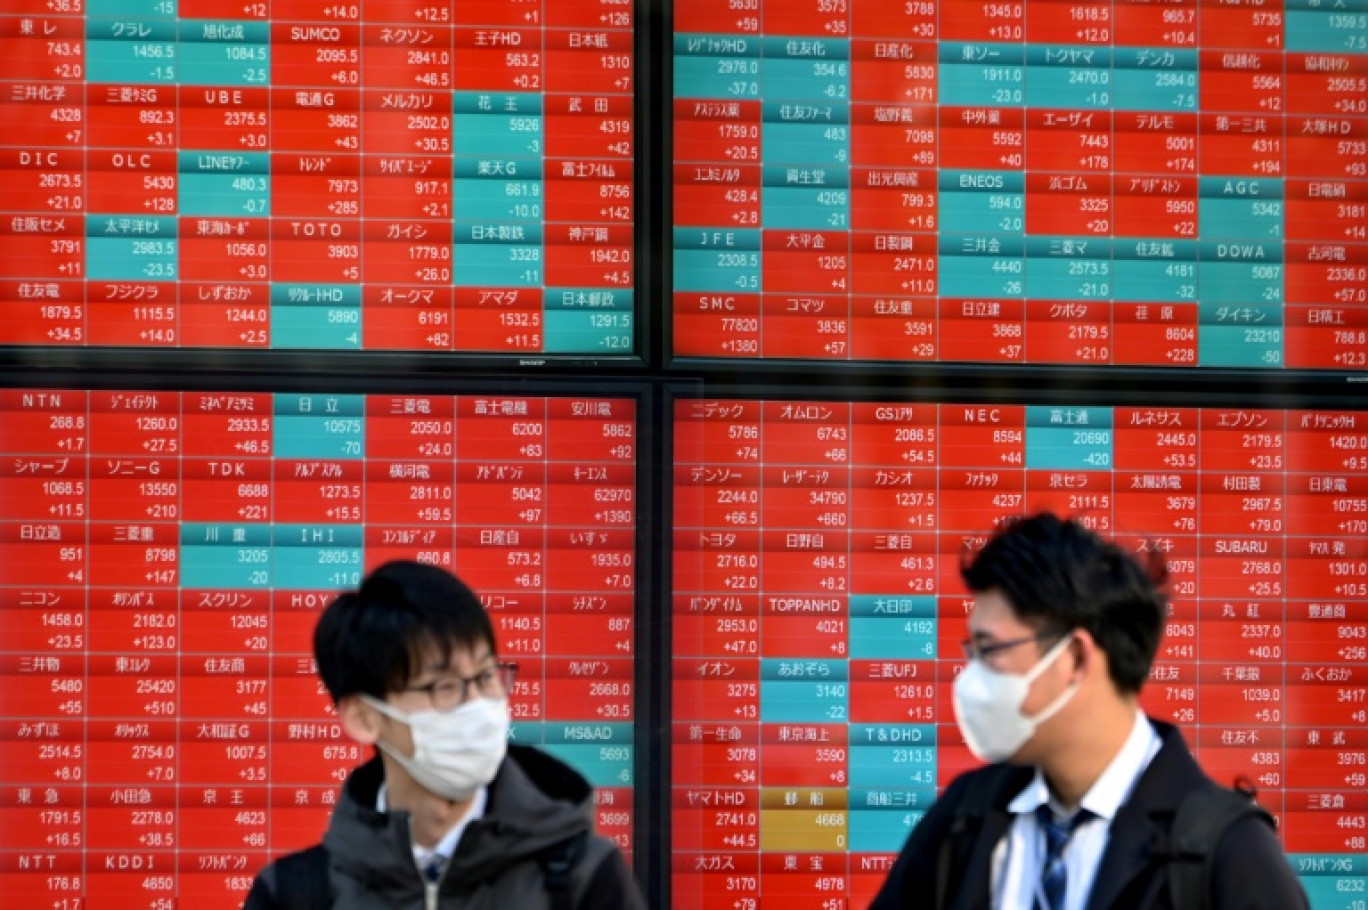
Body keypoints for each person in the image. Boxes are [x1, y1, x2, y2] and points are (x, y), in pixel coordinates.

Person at [868, 512, 1308, 910]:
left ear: (1076, 658)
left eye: (990, 650)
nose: (970, 677)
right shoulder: (963, 820)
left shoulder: (1224, 853)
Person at [245, 559, 645, 910]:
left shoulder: (582, 879)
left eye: (486, 677)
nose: (477, 706)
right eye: (444, 686)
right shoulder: (294, 894)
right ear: (365, 717)